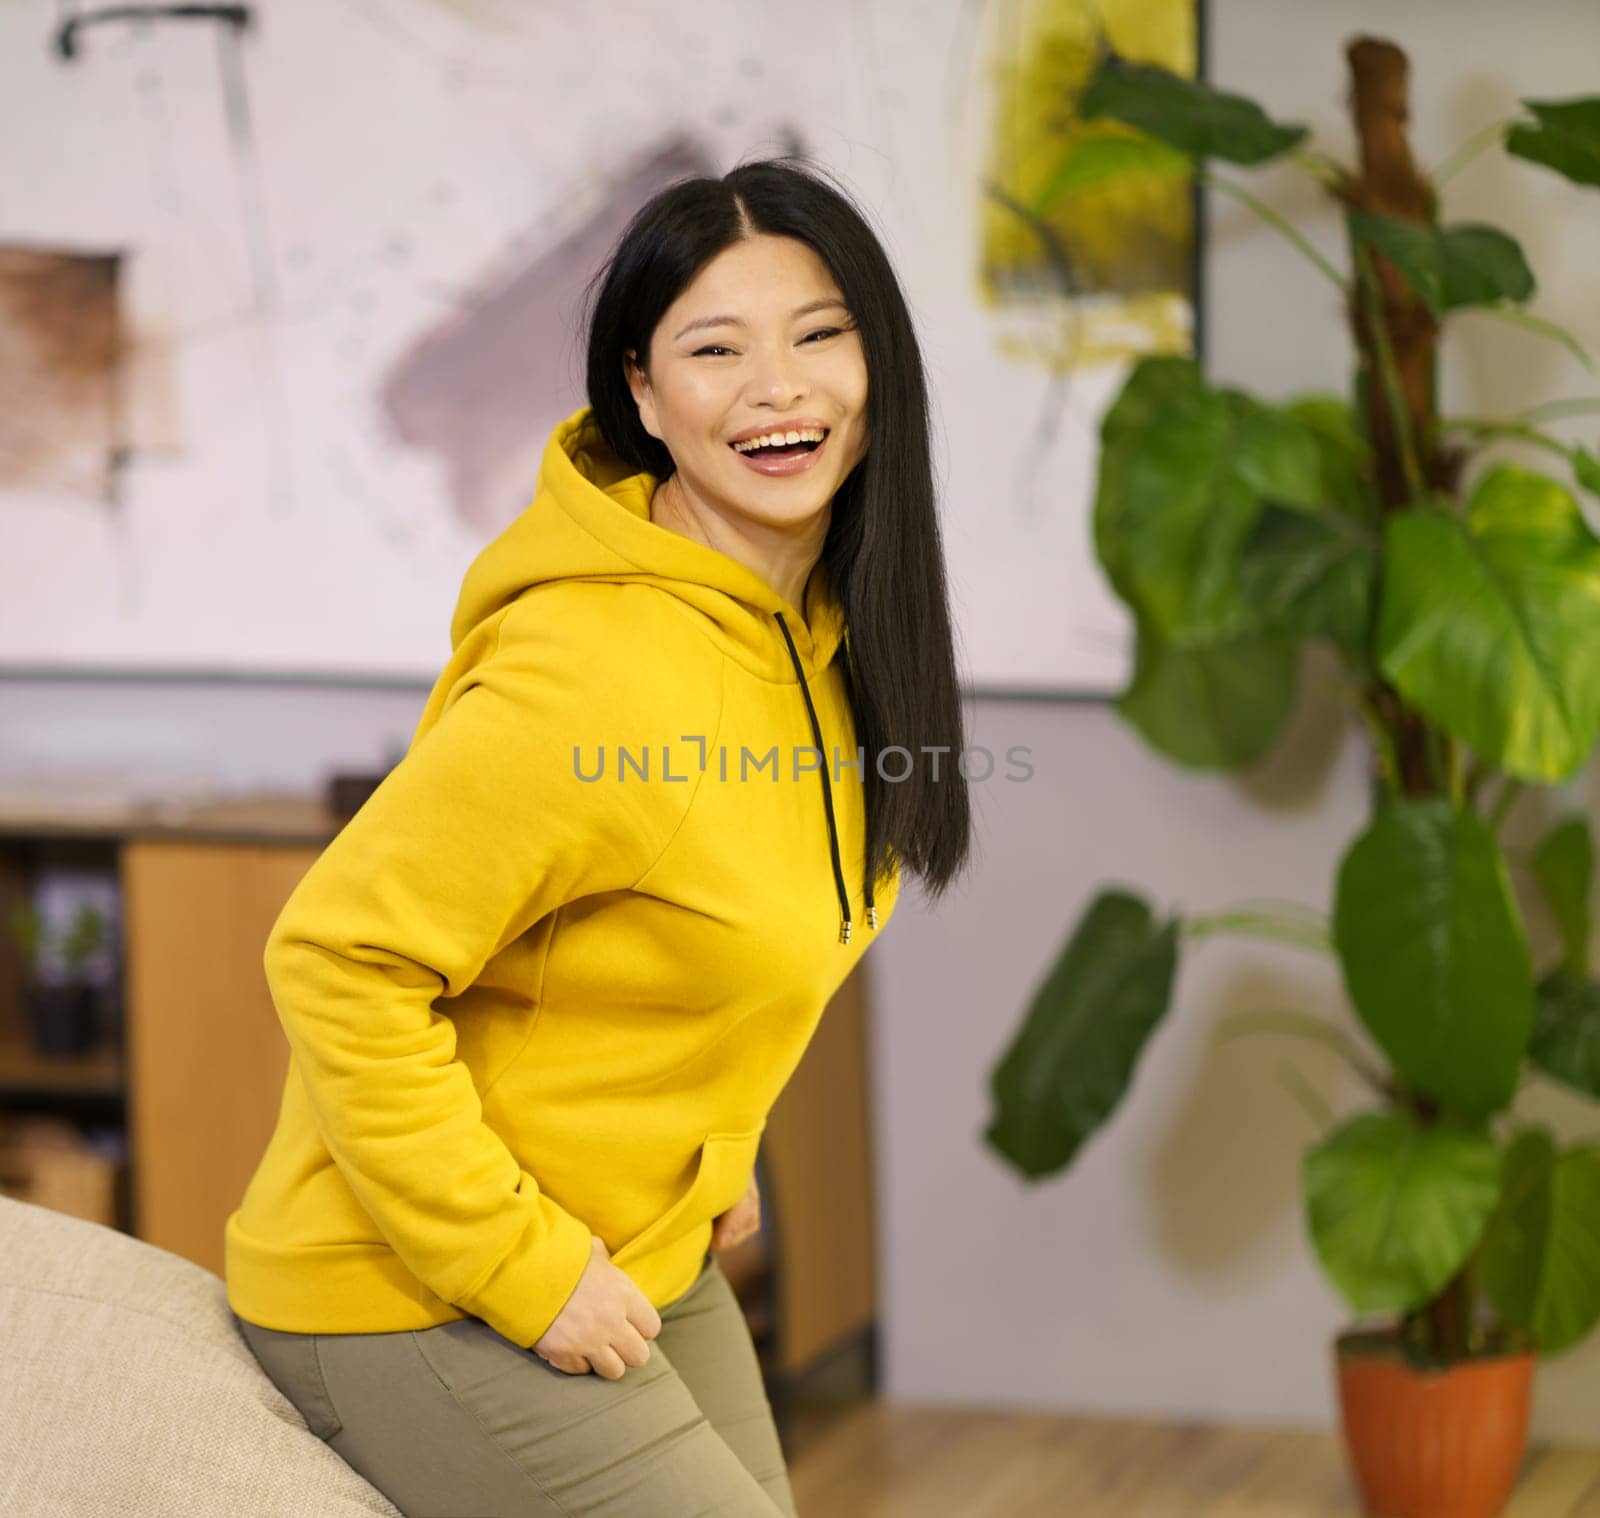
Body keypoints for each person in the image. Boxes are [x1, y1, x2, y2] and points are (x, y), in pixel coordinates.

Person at [224, 154, 973, 1518]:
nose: (780, 388)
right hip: (405, 1282)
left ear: (880, 364)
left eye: (821, 334)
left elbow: (705, 919)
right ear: (642, 391)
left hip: (637, 1239)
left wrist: (715, 1147)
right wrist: (525, 1267)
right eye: (715, 348)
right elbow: (338, 960)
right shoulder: (591, 670)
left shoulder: (822, 636)